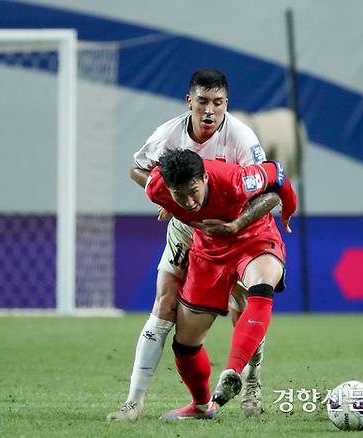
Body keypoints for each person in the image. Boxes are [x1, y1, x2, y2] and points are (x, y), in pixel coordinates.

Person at [108, 69, 279, 421]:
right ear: (190, 101)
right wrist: (168, 197)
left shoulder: (242, 139)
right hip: (186, 229)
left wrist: (236, 223)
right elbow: (137, 169)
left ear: (226, 104)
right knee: (164, 302)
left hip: (235, 232)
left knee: (242, 305)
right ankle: (133, 403)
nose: (209, 111)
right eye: (202, 102)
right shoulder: (168, 134)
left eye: (217, 103)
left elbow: (270, 194)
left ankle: (251, 383)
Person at [148, 149, 296, 419]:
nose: (189, 201)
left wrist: (289, 209)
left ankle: (233, 372)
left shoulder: (236, 180)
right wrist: (170, 203)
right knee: (185, 344)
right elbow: (139, 172)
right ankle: (202, 406)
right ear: (167, 189)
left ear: (204, 177)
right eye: (179, 196)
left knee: (262, 282)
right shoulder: (157, 188)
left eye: (194, 190)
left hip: (253, 237)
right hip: (209, 253)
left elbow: (278, 174)